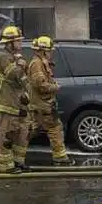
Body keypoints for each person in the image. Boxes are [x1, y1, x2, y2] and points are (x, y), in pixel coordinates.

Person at [26, 36, 75, 166]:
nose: (51, 53)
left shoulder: (41, 63)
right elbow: (40, 85)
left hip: (39, 104)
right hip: (42, 104)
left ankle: (15, 152)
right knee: (55, 128)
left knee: (31, 129)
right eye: (49, 51)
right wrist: (55, 87)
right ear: (42, 51)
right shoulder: (36, 64)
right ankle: (60, 157)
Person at [0, 25, 31, 173]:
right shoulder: (3, 57)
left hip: (19, 102)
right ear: (10, 43)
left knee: (22, 133)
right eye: (18, 41)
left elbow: (23, 79)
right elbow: (13, 74)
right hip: (7, 103)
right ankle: (5, 166)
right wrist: (21, 64)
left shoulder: (15, 57)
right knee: (7, 134)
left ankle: (18, 162)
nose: (21, 43)